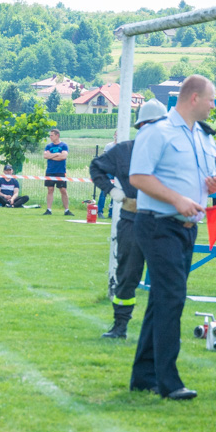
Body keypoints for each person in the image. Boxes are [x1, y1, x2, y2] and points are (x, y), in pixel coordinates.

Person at [128, 77, 216, 400]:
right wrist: (177, 200)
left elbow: (198, 176)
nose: (214, 105)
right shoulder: (157, 132)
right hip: (158, 224)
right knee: (172, 298)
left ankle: (143, 376)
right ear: (194, 97)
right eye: (211, 99)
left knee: (161, 300)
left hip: (185, 228)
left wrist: (211, 185)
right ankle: (169, 382)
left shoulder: (203, 137)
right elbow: (138, 177)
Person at [90, 108, 156, 339]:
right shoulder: (124, 151)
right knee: (127, 274)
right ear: (139, 127)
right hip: (132, 219)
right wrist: (113, 191)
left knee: (164, 278)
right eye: (146, 125)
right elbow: (96, 167)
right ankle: (120, 326)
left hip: (163, 220)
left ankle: (163, 329)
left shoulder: (169, 151)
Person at [43, 128, 73, 216]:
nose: (50, 137)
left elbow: (63, 157)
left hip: (60, 171)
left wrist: (51, 156)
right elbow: (45, 156)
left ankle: (67, 210)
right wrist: (56, 154)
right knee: (50, 189)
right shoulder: (48, 146)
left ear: (57, 135)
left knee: (63, 190)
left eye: (51, 135)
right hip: (50, 171)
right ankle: (49, 209)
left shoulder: (64, 145)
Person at [97, 131, 118, 217]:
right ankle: (100, 211)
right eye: (116, 134)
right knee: (104, 192)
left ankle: (111, 212)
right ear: (114, 135)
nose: (117, 136)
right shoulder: (109, 146)